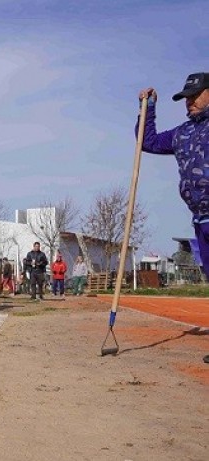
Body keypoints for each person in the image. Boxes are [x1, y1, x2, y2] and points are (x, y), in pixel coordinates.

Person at [137, 75, 209, 364]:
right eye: (185, 98)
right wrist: (148, 108)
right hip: (201, 219)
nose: (189, 102)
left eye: (195, 96)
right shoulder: (182, 133)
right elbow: (149, 141)